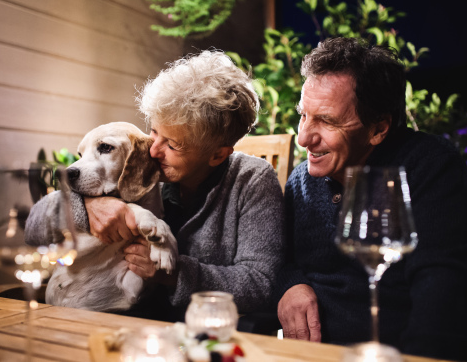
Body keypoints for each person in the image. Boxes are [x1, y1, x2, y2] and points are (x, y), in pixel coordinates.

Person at [275, 37, 467, 361]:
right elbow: (280, 260)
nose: (304, 137)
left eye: (327, 120)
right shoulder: (303, 181)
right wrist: (291, 284)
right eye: (304, 115)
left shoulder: (429, 167)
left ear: (378, 128)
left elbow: (442, 295)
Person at [33, 51, 285, 321]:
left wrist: (175, 273)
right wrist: (88, 207)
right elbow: (33, 228)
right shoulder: (137, 172)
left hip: (205, 335)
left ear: (217, 155)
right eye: (154, 132)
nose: (153, 150)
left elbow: (261, 285)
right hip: (124, 326)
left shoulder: (252, 180)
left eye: (172, 145)